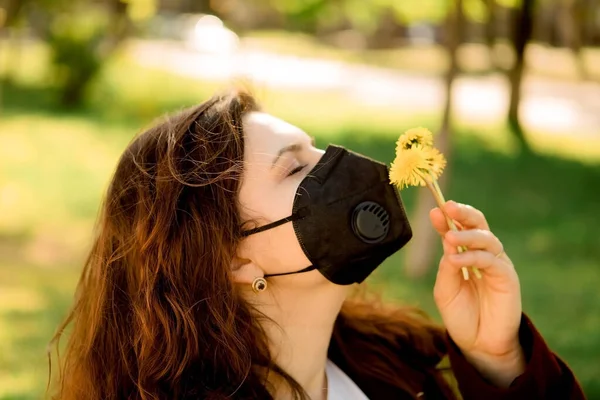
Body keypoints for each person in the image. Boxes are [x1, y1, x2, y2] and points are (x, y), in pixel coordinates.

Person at [48, 89, 584, 400]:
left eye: (319, 147)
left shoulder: (400, 369)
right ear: (234, 257)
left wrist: (501, 362)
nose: (345, 165)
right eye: (298, 166)